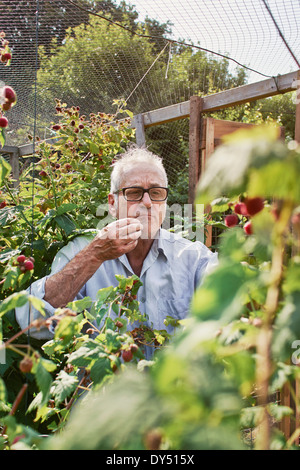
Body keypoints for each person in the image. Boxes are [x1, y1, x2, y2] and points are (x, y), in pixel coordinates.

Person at [15, 146, 218, 356]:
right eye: (134, 193)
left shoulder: (192, 258)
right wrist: (94, 254)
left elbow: (232, 292)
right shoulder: (82, 252)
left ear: (165, 202)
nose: (147, 203)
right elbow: (31, 321)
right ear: (112, 204)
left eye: (156, 193)